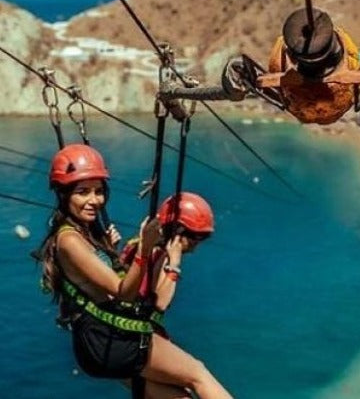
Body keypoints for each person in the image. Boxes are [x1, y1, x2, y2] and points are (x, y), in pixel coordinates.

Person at [36, 144, 232, 399]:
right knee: (198, 374)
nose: (94, 200)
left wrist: (109, 251)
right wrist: (149, 249)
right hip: (110, 339)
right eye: (83, 192)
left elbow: (98, 280)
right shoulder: (70, 240)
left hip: (99, 343)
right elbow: (123, 293)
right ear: (64, 195)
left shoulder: (83, 235)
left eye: (98, 192)